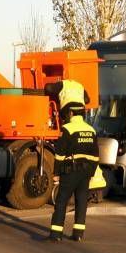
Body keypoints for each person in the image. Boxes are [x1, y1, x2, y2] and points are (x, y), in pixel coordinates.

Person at [47, 80, 99, 243]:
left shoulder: (67, 130)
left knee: (62, 201)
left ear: (70, 114)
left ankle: (56, 234)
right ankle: (78, 234)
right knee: (81, 201)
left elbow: (60, 155)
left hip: (70, 171)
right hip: (85, 173)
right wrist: (90, 173)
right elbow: (95, 156)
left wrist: (56, 174)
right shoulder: (91, 130)